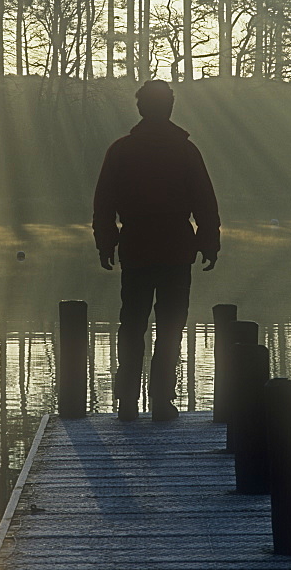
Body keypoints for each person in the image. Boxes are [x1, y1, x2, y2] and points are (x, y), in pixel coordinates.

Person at [93, 79, 220, 422]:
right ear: (170, 108)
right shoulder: (185, 151)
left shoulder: (120, 151)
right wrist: (208, 241)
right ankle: (162, 402)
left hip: (136, 246)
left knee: (132, 324)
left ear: (140, 108)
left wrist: (106, 242)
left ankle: (127, 403)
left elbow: (103, 203)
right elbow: (204, 201)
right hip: (177, 247)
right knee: (170, 326)